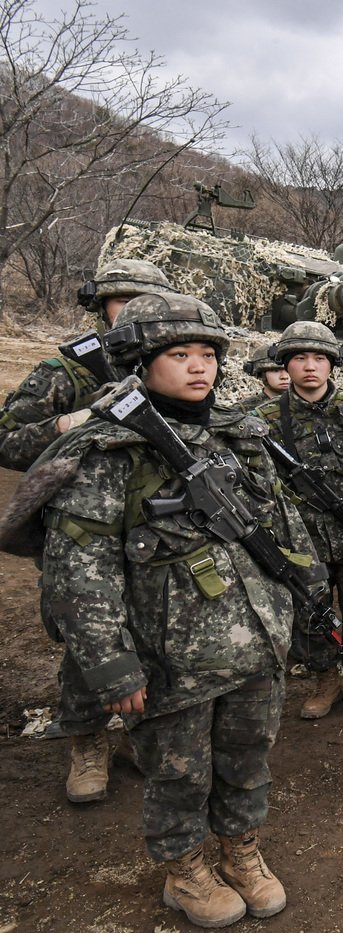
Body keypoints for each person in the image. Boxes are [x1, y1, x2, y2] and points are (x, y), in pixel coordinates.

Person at [29, 293, 315, 926]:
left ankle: (241, 850)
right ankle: (184, 869)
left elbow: (283, 526)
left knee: (247, 760)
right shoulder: (110, 453)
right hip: (169, 660)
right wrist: (112, 667)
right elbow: (80, 574)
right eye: (179, 354)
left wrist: (304, 598)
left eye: (207, 353)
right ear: (140, 363)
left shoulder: (238, 436)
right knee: (178, 773)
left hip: (255, 643)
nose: (198, 366)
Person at [0, 257, 172, 805]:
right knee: (87, 637)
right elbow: (6, 441)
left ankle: (138, 734)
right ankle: (87, 739)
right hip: (81, 530)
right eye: (124, 303)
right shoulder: (67, 372)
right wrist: (70, 423)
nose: (135, 314)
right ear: (102, 308)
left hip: (155, 528)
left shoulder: (170, 363)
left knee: (156, 630)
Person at [254, 321, 343, 719]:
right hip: (301, 540)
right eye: (300, 358)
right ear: (285, 364)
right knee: (312, 611)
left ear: (333, 363)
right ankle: (326, 678)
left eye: (319, 358)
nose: (310, 366)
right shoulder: (263, 419)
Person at [236, 345, 289, 413]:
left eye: (288, 370)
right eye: (275, 370)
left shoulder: (301, 406)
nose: (284, 376)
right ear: (261, 374)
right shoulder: (241, 410)